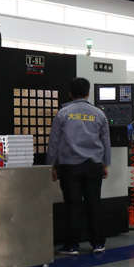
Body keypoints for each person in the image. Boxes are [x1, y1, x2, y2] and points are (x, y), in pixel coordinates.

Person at [47, 77, 112, 255]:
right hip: (93, 165)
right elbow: (106, 141)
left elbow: (54, 142)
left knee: (72, 205)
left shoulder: (63, 114)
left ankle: (72, 245)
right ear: (88, 92)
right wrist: (105, 164)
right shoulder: (99, 114)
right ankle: (98, 243)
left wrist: (51, 166)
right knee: (94, 203)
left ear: (70, 93)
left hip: (70, 166)